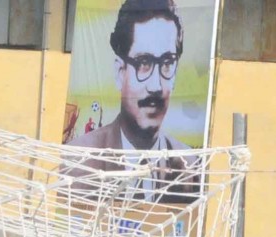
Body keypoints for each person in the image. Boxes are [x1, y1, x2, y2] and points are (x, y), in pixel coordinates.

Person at [64, 0, 197, 203]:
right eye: (144, 63)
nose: (155, 86)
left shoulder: (190, 166)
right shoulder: (78, 163)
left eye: (167, 63)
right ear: (120, 72)